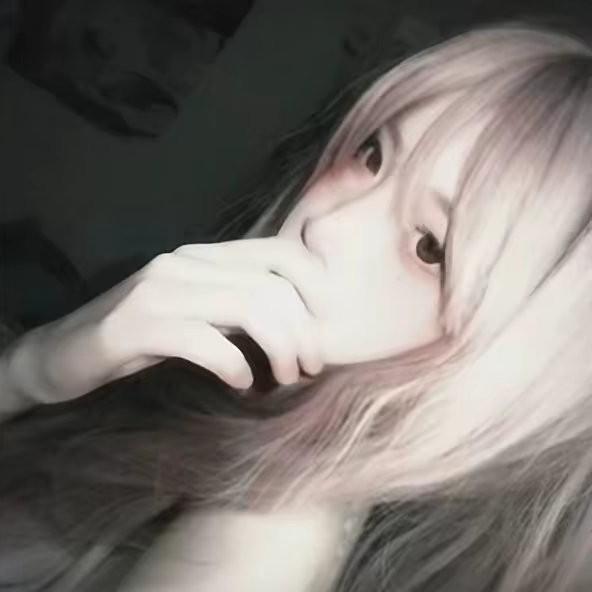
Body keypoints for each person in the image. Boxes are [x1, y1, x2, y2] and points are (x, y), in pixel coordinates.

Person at [2, 19, 592, 592]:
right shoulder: (219, 373)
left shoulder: (274, 538)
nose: (327, 224)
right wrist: (33, 368)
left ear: (516, 365)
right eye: (372, 156)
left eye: (429, 247)